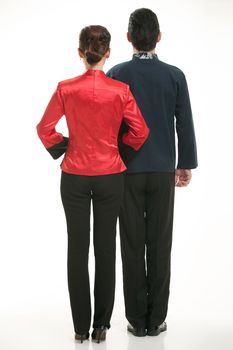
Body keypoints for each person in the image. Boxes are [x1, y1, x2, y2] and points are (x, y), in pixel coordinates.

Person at [36, 25, 149, 343]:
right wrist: (119, 153)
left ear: (80, 53)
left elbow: (45, 128)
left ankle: (79, 328)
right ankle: (101, 326)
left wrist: (66, 148)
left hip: (73, 175)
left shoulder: (66, 88)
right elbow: (140, 131)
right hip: (111, 175)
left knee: (76, 249)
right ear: (108, 53)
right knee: (105, 249)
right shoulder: (120, 90)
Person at [107, 8, 198, 337]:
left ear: (128, 37)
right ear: (158, 36)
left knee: (131, 244)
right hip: (162, 171)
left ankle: (136, 320)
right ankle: (156, 318)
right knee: (160, 243)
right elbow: (184, 123)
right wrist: (184, 163)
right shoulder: (175, 75)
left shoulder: (116, 74)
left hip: (126, 171)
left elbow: (108, 126)